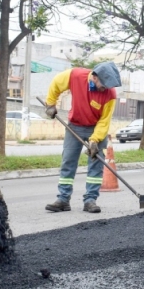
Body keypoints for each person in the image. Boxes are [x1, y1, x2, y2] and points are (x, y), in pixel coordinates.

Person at [43, 61, 122, 215]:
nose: (105, 89)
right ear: (95, 77)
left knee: (96, 163)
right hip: (75, 126)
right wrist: (51, 104)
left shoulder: (110, 94)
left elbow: (104, 121)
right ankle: (63, 199)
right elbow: (56, 84)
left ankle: (90, 200)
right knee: (68, 161)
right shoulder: (75, 76)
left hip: (96, 128)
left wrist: (94, 140)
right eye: (103, 85)